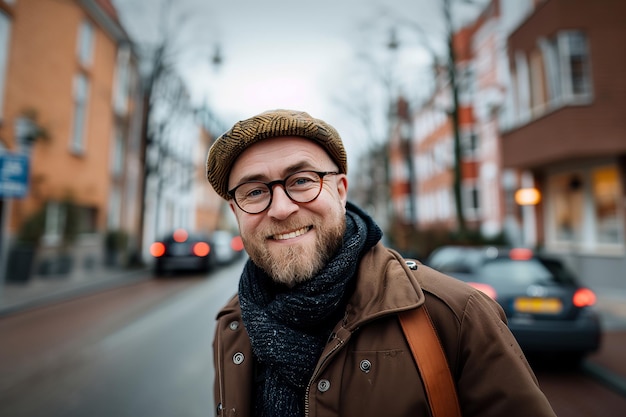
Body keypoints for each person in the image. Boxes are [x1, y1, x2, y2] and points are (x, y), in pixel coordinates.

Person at [206, 109, 556, 417]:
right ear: (237, 212)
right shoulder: (233, 326)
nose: (281, 208)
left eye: (301, 181)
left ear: (340, 191)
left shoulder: (454, 315)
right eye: (254, 191)